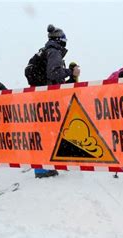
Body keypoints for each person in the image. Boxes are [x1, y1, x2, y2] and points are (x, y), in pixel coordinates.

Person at [25, 24, 80, 178]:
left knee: (44, 129)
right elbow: (54, 74)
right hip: (45, 99)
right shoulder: (54, 52)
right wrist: (71, 71)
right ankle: (43, 168)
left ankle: (43, 165)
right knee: (47, 130)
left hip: (40, 96)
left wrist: (70, 78)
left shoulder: (45, 51)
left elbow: (56, 81)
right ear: (60, 40)